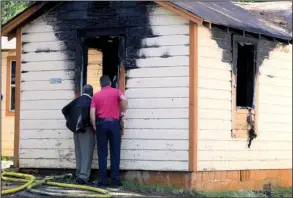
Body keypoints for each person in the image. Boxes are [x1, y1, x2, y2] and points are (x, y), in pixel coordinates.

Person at [90, 75, 128, 188]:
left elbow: (92, 113)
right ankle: (115, 181)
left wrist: (94, 125)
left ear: (101, 84)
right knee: (115, 152)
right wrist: (123, 112)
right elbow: (125, 100)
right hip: (115, 124)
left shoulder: (96, 95)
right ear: (110, 83)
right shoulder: (117, 92)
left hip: (101, 124)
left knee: (102, 153)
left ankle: (103, 181)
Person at [62, 84, 95, 185]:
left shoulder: (77, 100)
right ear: (92, 92)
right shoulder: (90, 101)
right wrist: (85, 122)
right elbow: (89, 113)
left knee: (79, 152)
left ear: (83, 91)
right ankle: (84, 177)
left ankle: (79, 173)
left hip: (75, 131)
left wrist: (71, 122)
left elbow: (64, 110)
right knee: (86, 153)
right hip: (86, 129)